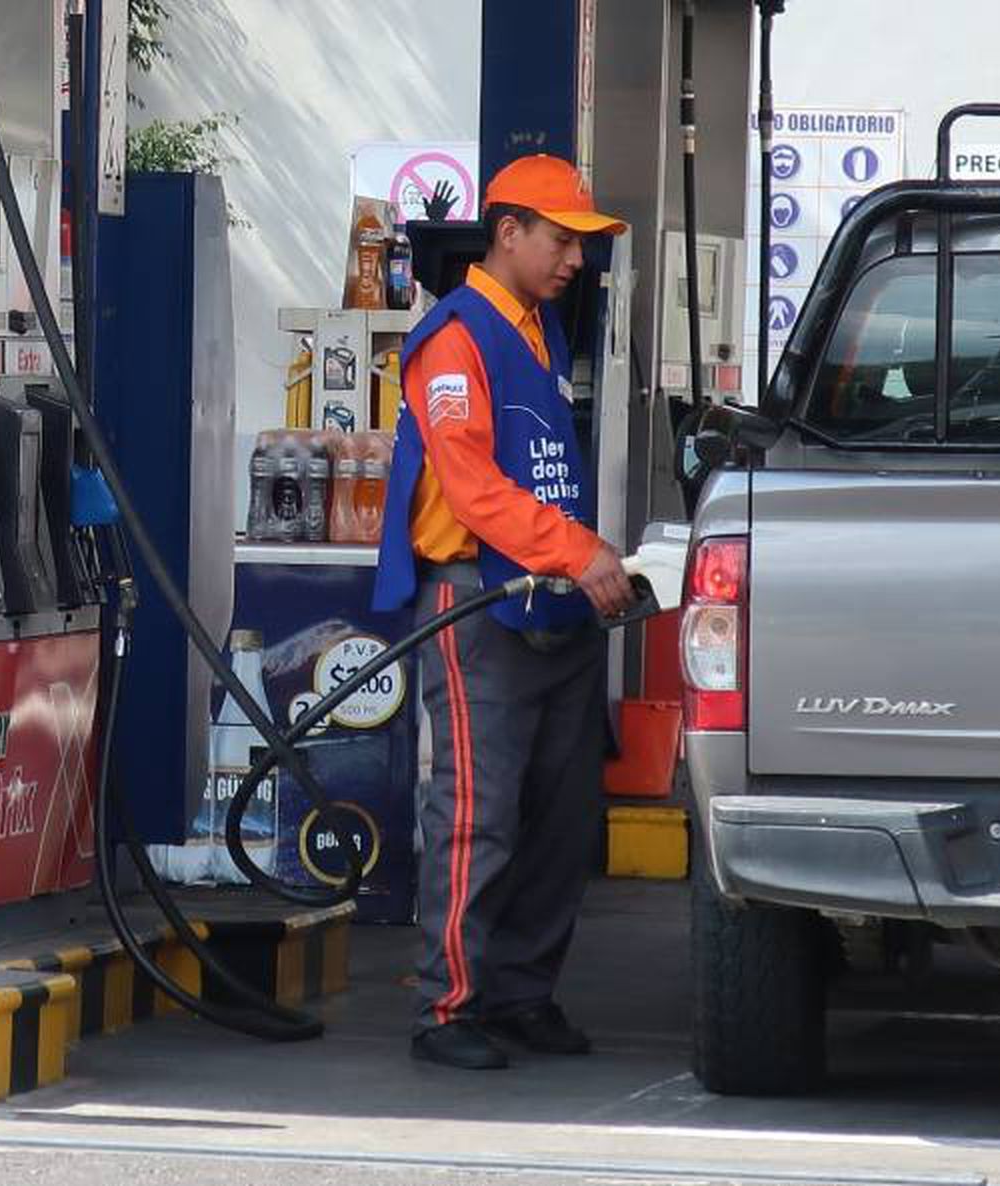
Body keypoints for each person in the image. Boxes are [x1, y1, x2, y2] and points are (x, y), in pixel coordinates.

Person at [372, 154, 637, 1071]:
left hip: (551, 607)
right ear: (509, 231)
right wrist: (580, 552)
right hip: (477, 604)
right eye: (563, 240)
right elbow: (475, 489)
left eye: (583, 244)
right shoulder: (455, 337)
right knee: (477, 813)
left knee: (558, 818)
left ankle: (521, 996)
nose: (576, 260)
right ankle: (448, 1010)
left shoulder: (540, 331)